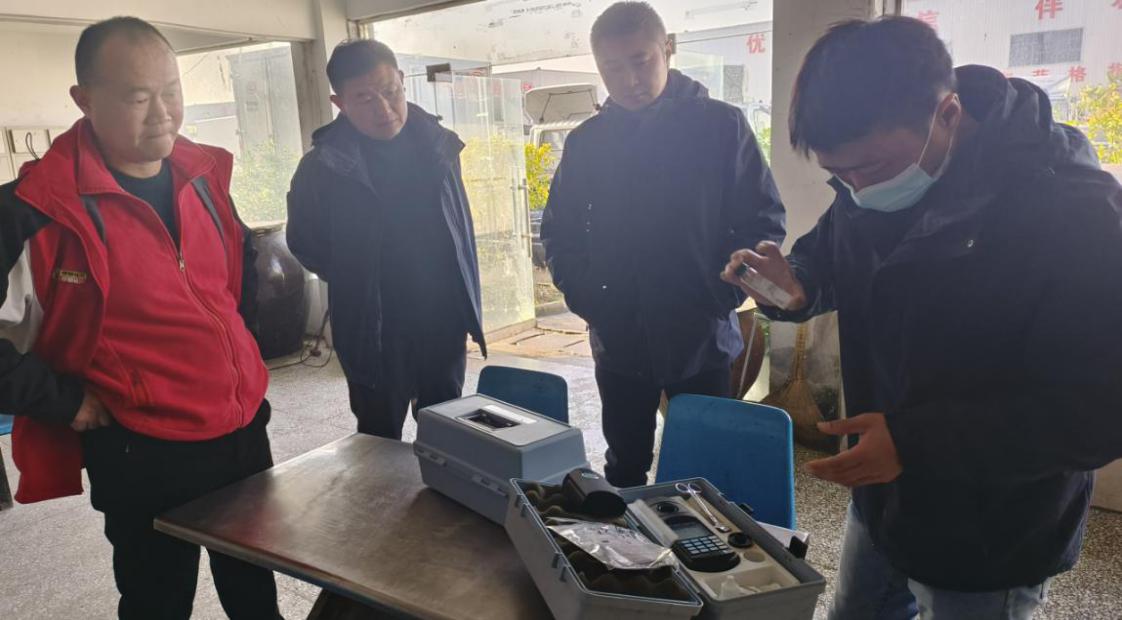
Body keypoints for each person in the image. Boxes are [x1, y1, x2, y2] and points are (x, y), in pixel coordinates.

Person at [722, 17, 1122, 620]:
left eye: (870, 170)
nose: (856, 189)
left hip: (990, 525)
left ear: (949, 114)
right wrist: (796, 284)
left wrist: (915, 442)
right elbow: (830, 253)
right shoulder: (873, 175)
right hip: (884, 497)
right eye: (839, 174)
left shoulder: (1075, 214)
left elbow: (1098, 412)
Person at [0, 17, 281, 620]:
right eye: (137, 98)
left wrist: (242, 361)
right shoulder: (34, 211)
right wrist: (63, 400)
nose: (163, 114)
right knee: (158, 602)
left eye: (171, 91)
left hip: (241, 433)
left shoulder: (204, 177)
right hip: (143, 451)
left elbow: (234, 283)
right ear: (84, 100)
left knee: (256, 596)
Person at [541, 1, 785, 487]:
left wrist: (722, 294)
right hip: (619, 333)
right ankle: (626, 539)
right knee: (624, 463)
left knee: (704, 464)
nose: (629, 79)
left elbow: (762, 220)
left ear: (667, 49)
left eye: (641, 60)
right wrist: (589, 298)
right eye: (613, 67)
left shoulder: (721, 126)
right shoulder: (588, 142)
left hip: (701, 333)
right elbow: (560, 231)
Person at [287, 40, 485, 440]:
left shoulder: (440, 145)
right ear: (339, 103)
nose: (384, 109)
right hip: (372, 327)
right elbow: (304, 241)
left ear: (403, 81)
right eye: (364, 98)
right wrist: (355, 272)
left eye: (391, 91)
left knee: (446, 432)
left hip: (441, 320)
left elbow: (457, 226)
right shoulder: (322, 166)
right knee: (378, 440)